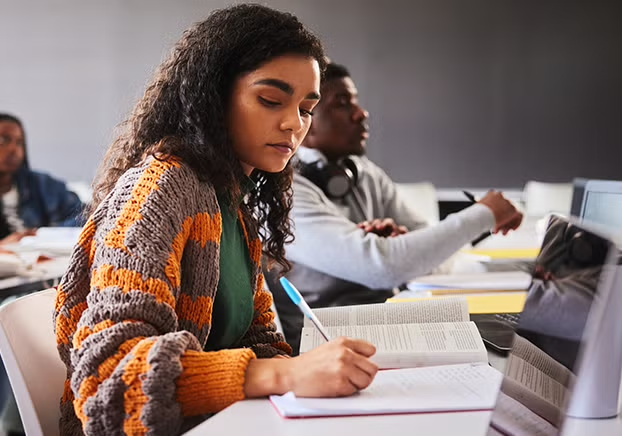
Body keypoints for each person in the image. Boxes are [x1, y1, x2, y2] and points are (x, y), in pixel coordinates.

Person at [53, 5, 378, 436]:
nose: (293, 124)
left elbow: (259, 342)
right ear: (213, 96)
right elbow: (113, 379)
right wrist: (286, 376)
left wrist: (314, 370)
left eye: (306, 108)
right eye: (270, 100)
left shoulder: (232, 206)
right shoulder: (160, 189)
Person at [274, 62, 523, 352]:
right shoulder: (283, 189)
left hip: (388, 323)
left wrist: (405, 250)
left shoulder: (365, 173)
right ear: (307, 119)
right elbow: (384, 266)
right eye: (342, 104)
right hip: (321, 345)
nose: (361, 113)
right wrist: (485, 213)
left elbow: (433, 251)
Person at [0, 113, 83, 244]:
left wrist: (43, 236)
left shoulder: (42, 184)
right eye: (3, 140)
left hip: (39, 259)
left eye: (19, 142)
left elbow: (83, 215)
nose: (13, 149)